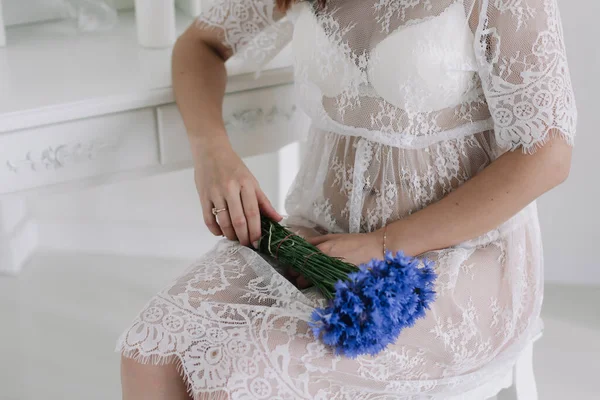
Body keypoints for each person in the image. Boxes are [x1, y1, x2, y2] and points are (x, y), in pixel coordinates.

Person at [117, 0, 577, 398]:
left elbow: (548, 153)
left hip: (454, 258)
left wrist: (384, 243)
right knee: (149, 351)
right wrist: (212, 151)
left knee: (239, 373)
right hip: (317, 233)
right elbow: (200, 45)